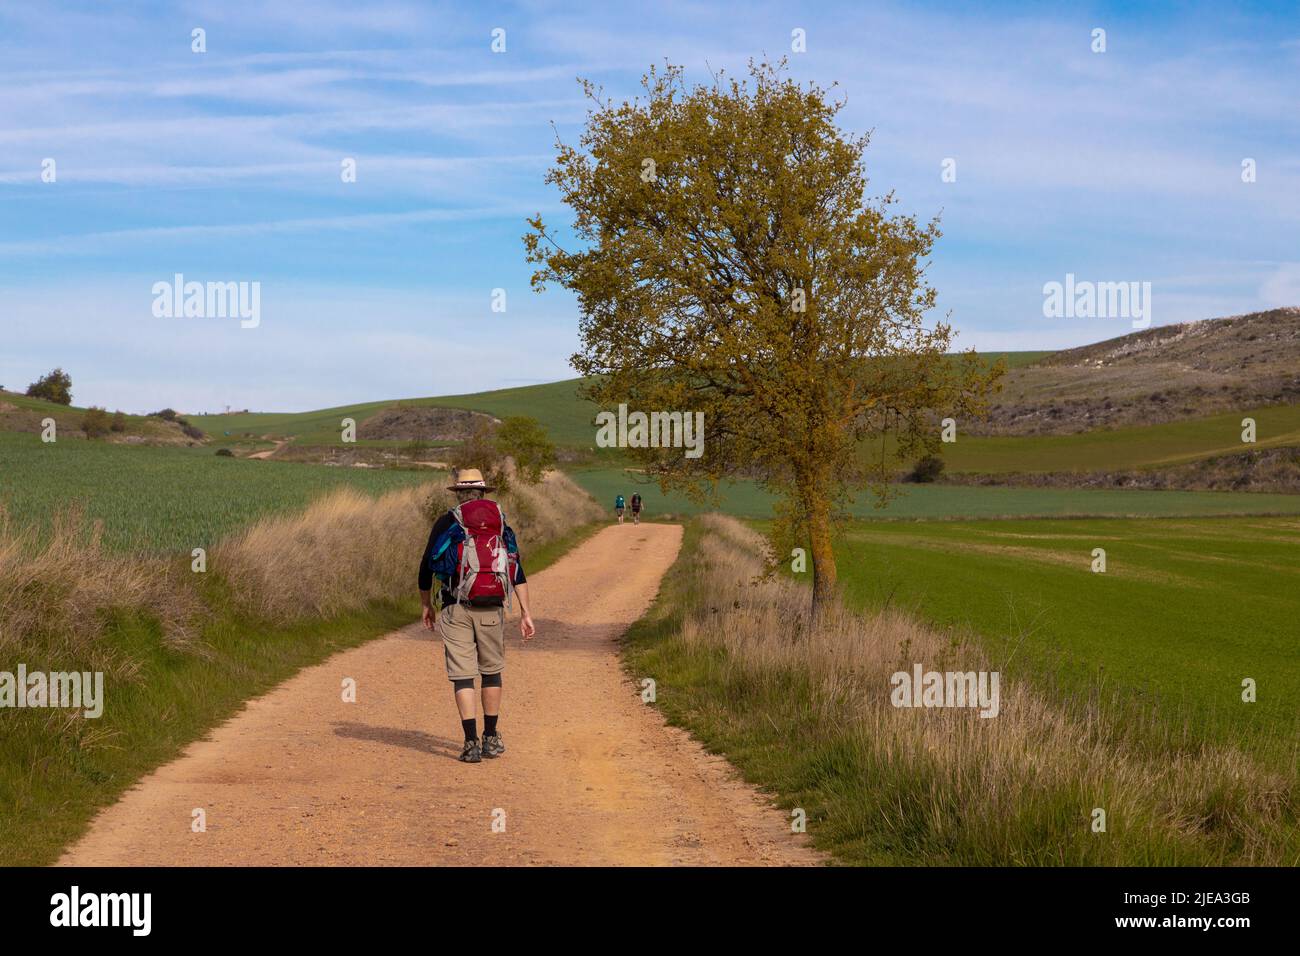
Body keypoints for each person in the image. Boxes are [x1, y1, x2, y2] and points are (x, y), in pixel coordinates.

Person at [419, 468, 536, 763]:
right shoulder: (499, 522)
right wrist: (525, 612)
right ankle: (491, 737)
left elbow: (426, 567)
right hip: (492, 606)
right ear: (484, 493)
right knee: (491, 671)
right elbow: (515, 568)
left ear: (458, 493)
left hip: (455, 606)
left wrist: (426, 605)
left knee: (462, 676)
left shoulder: (448, 521)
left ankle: (470, 741)